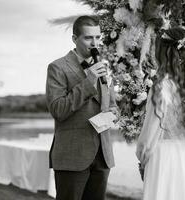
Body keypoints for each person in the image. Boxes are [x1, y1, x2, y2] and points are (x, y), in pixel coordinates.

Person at [136, 27, 185, 200]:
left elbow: (149, 135)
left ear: (164, 53)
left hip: (164, 159)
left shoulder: (161, 87)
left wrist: (142, 159)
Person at [46, 15, 117, 200]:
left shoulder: (103, 66)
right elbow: (58, 110)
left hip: (102, 156)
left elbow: (112, 105)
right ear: (74, 39)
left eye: (98, 38)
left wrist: (114, 113)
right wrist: (89, 80)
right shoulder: (57, 67)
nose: (94, 43)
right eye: (88, 38)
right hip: (72, 156)